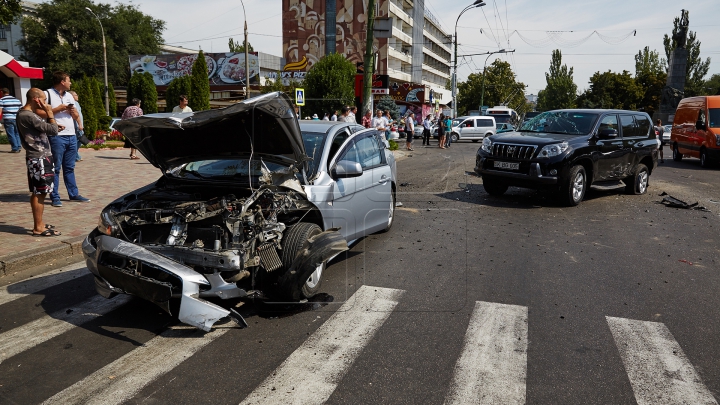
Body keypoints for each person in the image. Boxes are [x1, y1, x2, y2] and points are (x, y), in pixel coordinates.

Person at [37, 71, 88, 207]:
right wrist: (58, 109)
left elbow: (75, 115)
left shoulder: (70, 96)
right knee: (56, 168)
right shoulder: (46, 94)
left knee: (70, 167)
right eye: (68, 80)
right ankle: (55, 197)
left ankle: (74, 194)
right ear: (62, 82)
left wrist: (76, 116)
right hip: (56, 136)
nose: (70, 83)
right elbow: (38, 112)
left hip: (71, 135)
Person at [17, 88, 61, 236]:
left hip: (38, 156)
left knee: (39, 191)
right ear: (37, 99)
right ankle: (38, 227)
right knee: (40, 193)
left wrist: (52, 126)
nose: (46, 103)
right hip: (39, 157)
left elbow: (48, 129)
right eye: (44, 99)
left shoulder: (24, 114)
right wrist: (49, 112)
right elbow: (52, 130)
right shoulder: (28, 115)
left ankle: (40, 223)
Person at [0, 88, 23, 153]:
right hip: (17, 118)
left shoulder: (1, 100)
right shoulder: (17, 100)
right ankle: (19, 146)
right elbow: (21, 110)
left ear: (2, 92)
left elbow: (0, 110)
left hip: (8, 118)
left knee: (11, 134)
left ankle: (15, 148)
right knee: (17, 133)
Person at [68, 91, 84, 162]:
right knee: (77, 141)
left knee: (79, 141)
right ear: (71, 96)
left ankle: (76, 156)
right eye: (76, 95)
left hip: (79, 125)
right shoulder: (72, 104)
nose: (77, 96)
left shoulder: (77, 103)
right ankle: (75, 156)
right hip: (75, 126)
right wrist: (79, 125)